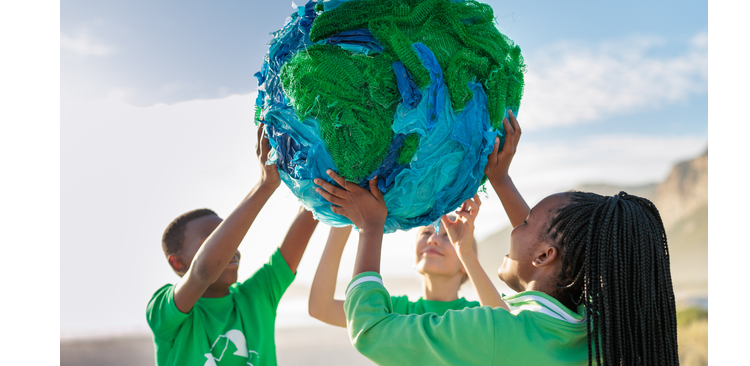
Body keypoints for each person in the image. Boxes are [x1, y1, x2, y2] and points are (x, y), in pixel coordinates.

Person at [314, 110, 679, 366]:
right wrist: (500, 179)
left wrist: (371, 227)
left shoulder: (490, 332)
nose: (515, 224)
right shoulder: (593, 329)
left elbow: (370, 329)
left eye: (525, 222)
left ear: (544, 256)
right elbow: (559, 246)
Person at [146, 123, 319, 366]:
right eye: (214, 240)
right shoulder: (164, 312)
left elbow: (310, 213)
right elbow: (204, 270)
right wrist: (265, 186)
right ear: (178, 262)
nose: (232, 248)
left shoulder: (256, 297)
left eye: (230, 237)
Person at [308, 196, 508, 327]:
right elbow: (321, 308)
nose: (433, 239)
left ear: (466, 264)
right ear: (413, 255)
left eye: (448, 237)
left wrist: (465, 252)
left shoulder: (476, 313)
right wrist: (343, 220)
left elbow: (506, 328)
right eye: (426, 233)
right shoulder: (398, 311)